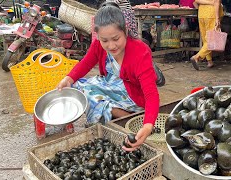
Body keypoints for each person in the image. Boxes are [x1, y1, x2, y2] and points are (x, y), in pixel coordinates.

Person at [57, 2, 160, 151]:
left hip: (134, 94)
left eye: (116, 38)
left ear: (125, 31)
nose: (111, 46)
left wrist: (148, 124)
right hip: (113, 84)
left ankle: (128, 118)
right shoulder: (98, 45)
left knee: (92, 96)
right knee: (77, 87)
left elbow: (151, 94)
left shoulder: (140, 51)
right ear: (98, 36)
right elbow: (85, 63)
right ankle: (117, 113)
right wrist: (68, 78)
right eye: (104, 40)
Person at [191, 0, 223, 70]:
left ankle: (209, 61)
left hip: (202, 14)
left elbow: (196, 0)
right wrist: (217, 18)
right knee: (212, 39)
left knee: (205, 39)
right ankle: (197, 57)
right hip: (212, 13)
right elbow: (217, 1)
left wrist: (208, 2)